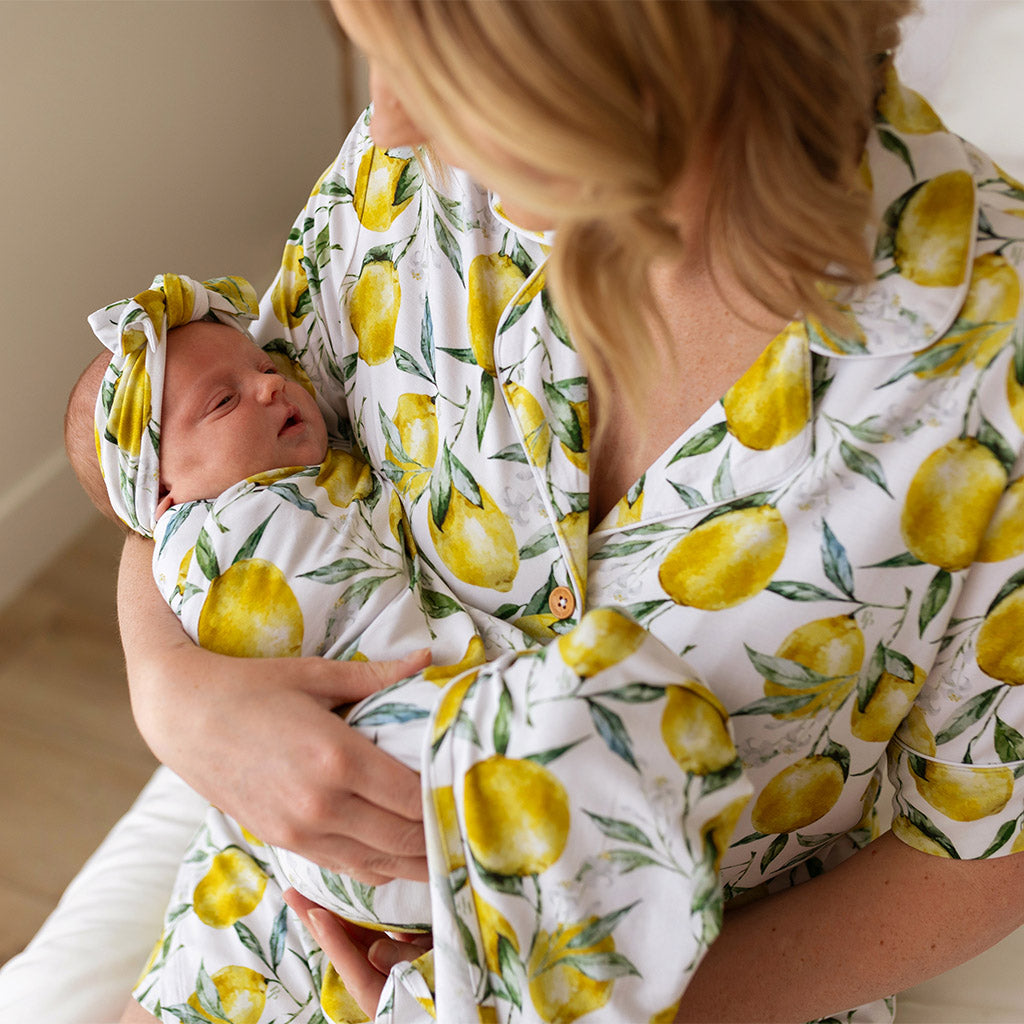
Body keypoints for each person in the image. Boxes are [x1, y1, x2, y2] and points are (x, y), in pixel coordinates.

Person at [114, 1, 1024, 1021]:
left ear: (649, 61)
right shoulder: (422, 181)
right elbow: (191, 472)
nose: (392, 118)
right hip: (271, 929)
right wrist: (173, 692)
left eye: (444, 68)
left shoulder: (993, 378)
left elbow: (986, 847)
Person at [72, 273, 751, 1021]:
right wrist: (167, 683)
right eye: (224, 402)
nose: (271, 384)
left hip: (395, 787)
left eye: (266, 368)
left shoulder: (303, 465)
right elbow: (160, 551)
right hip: (355, 777)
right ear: (166, 498)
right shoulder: (212, 534)